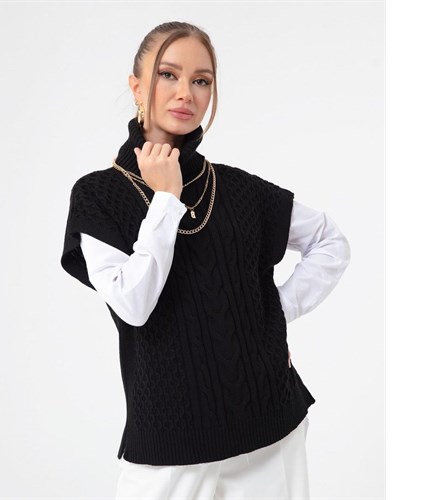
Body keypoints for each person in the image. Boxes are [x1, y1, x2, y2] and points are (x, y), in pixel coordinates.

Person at [61, 21, 350, 500]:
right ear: (137, 87)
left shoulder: (237, 188)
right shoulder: (99, 194)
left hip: (271, 425)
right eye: (168, 75)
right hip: (172, 441)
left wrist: (271, 316)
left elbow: (330, 243)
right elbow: (134, 305)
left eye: (201, 80)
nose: (185, 93)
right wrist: (166, 199)